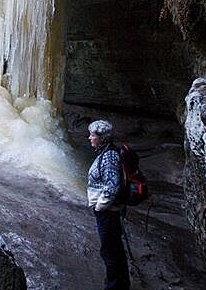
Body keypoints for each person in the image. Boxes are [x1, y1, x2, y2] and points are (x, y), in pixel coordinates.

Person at [87, 119, 130, 290]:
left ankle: (114, 286)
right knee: (114, 248)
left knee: (109, 250)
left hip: (108, 212)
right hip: (109, 211)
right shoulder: (105, 153)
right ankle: (122, 284)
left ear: (102, 138)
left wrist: (100, 206)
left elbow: (112, 186)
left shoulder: (109, 156)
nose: (89, 138)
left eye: (92, 135)